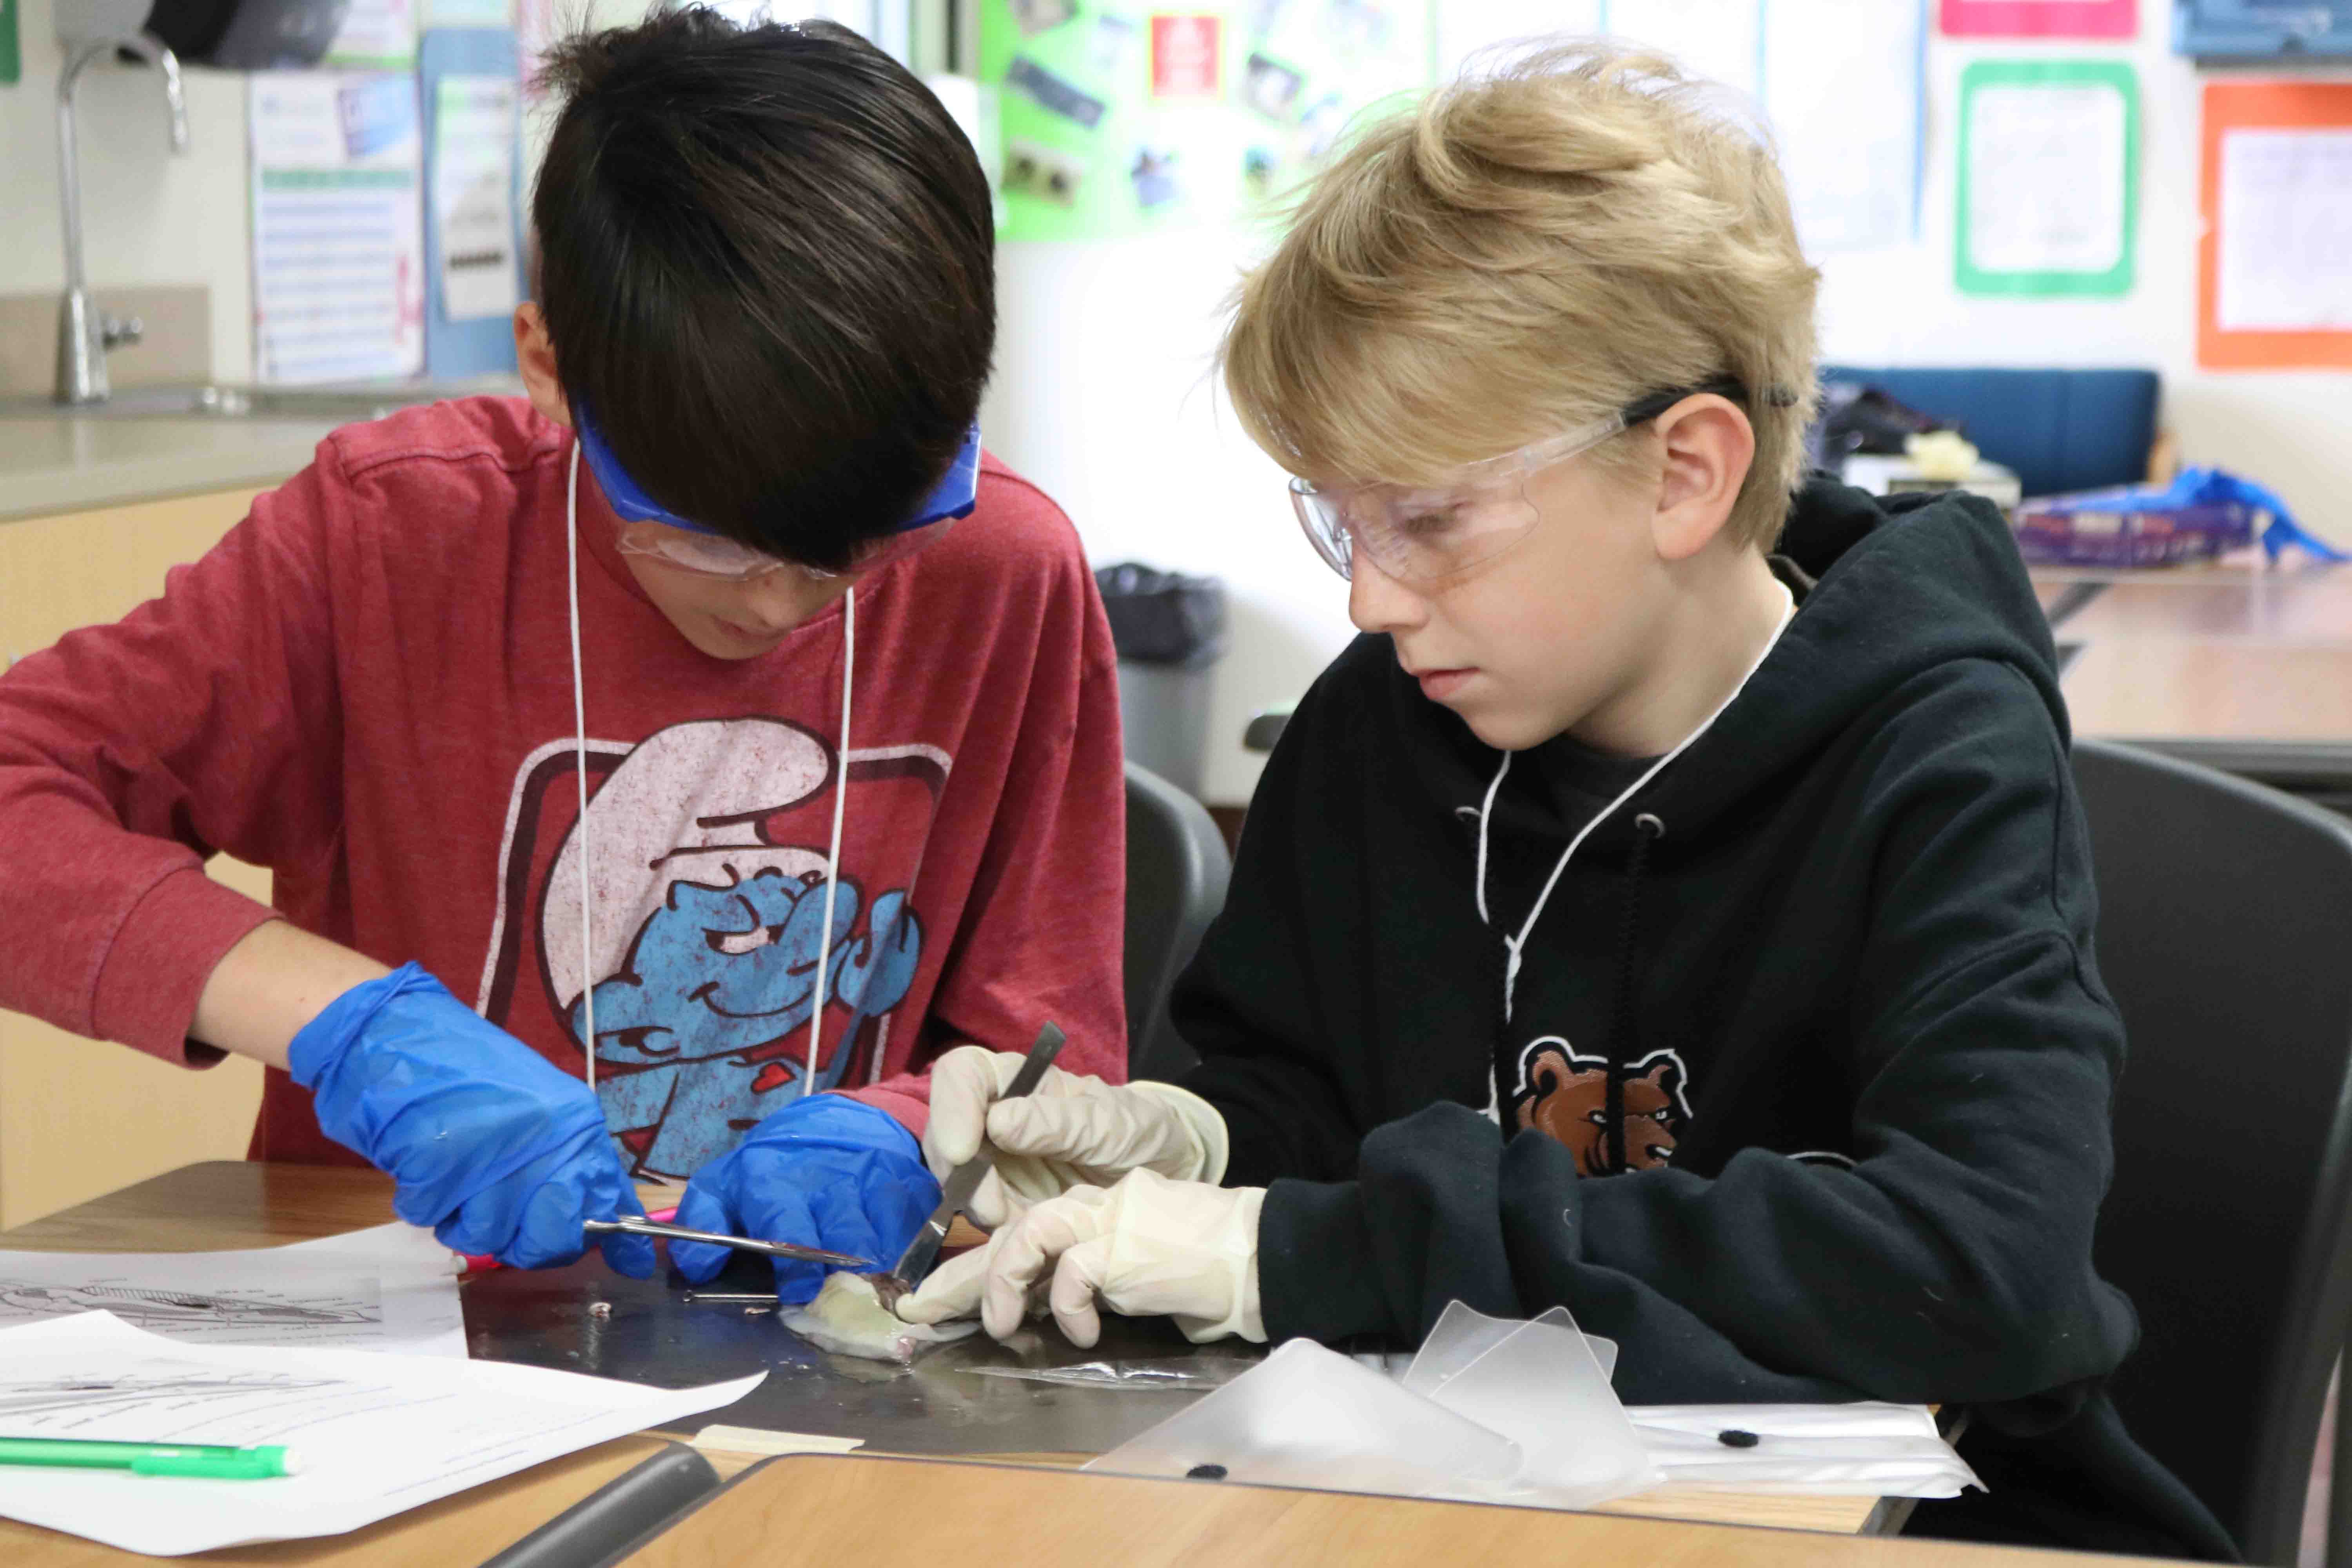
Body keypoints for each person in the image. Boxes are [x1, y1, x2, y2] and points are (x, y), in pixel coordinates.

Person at [895, 44, 2234, 1560]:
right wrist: (1182, 1144)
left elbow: (1981, 1267)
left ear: (1683, 476)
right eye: (1342, 520)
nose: (1371, 598)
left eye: (1431, 524)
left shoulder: (1938, 754)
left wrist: (1297, 1249)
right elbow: (1309, 1116)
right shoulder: (1385, 720)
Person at [0, 10, 1125, 1300]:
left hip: (831, 1322)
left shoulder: (1001, 571)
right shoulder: (392, 537)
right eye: (703, 543)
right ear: (548, 367)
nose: (781, 606)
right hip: (402, 1322)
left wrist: (914, 1128)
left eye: (859, 547)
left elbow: (1058, 1049)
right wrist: (346, 1025)